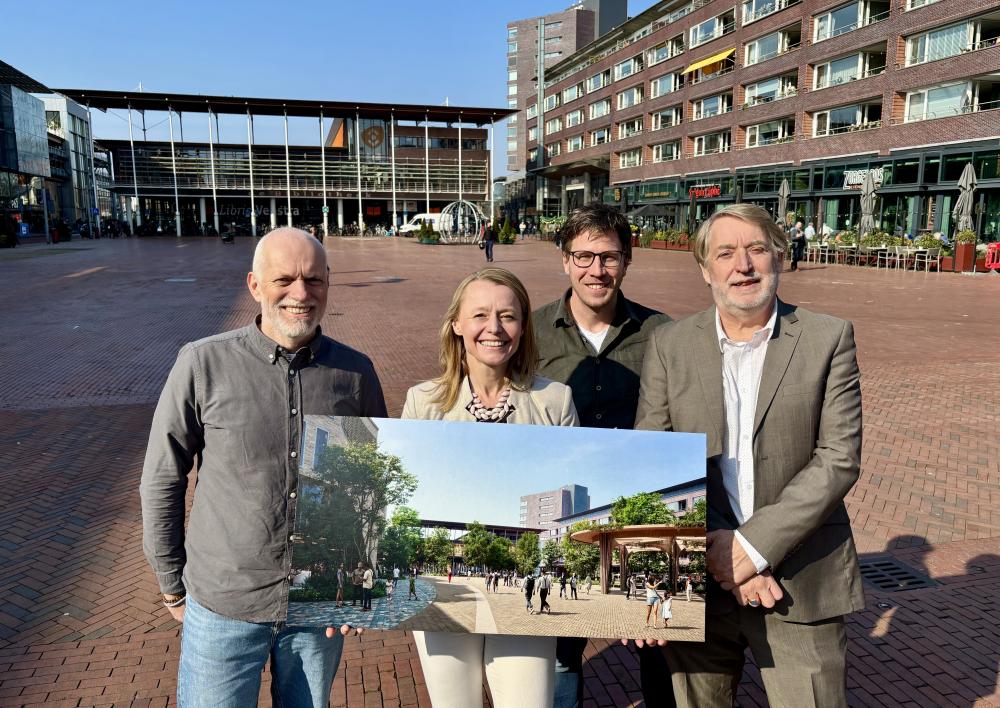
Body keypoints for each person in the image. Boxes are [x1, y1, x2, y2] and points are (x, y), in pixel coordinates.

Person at [139, 227, 387, 706]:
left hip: (317, 603)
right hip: (226, 601)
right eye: (285, 280)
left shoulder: (355, 374)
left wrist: (363, 576)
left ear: (328, 284)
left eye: (313, 280)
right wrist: (172, 585)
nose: (300, 294)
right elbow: (162, 479)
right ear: (255, 285)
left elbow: (369, 485)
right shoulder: (202, 364)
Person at [636, 203, 865, 707]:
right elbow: (655, 457)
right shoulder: (669, 345)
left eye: (757, 249)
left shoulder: (828, 337)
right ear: (705, 269)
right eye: (725, 253)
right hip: (698, 578)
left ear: (780, 257)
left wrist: (751, 550)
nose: (743, 265)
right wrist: (720, 551)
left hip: (801, 579)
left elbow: (838, 457)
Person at [401, 267, 578, 708]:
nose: (494, 328)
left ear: (523, 327)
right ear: (457, 325)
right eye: (480, 314)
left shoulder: (555, 400)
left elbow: (563, 486)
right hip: (443, 611)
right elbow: (408, 490)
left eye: (508, 316)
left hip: (523, 617)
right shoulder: (423, 402)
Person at [532, 201, 674, 708]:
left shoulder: (662, 332)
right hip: (570, 504)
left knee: (657, 640)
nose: (597, 270)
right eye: (584, 256)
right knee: (560, 646)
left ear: (627, 261)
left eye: (609, 257)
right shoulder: (530, 331)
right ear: (565, 260)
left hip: (641, 501)